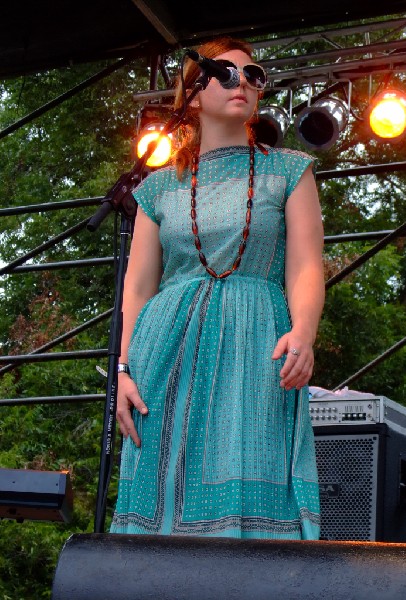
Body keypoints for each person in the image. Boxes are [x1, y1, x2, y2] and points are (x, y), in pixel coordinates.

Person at [110, 35, 325, 540]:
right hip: (162, 350)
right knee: (159, 488)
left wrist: (304, 331)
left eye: (254, 75)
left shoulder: (289, 170)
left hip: (257, 342)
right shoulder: (158, 187)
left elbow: (306, 266)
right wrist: (122, 369)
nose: (243, 83)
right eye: (227, 74)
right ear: (192, 94)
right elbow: (137, 288)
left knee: (253, 477)